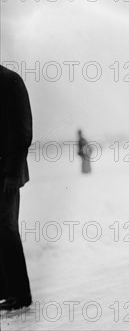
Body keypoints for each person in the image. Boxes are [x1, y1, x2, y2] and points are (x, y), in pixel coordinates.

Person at [0, 65, 33, 311]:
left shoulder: (10, 81)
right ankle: (6, 292)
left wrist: (11, 172)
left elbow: (22, 132)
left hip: (6, 174)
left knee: (6, 229)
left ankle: (20, 295)